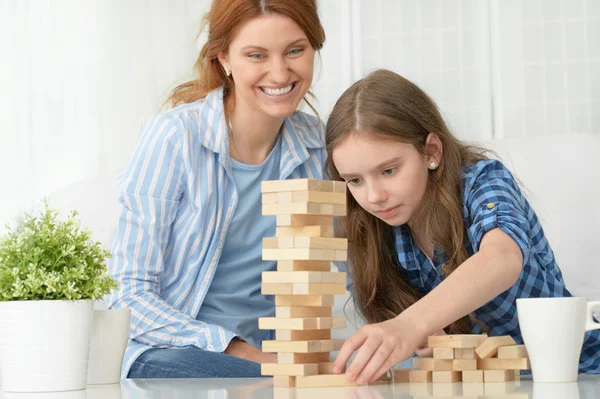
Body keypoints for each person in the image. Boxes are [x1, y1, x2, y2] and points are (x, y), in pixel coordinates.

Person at [324, 69, 600, 384]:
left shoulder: (482, 182)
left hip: (578, 373)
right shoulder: (373, 230)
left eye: (388, 170)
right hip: (480, 386)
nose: (373, 196)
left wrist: (411, 324)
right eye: (355, 180)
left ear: (431, 152)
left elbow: (502, 258)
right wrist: (424, 340)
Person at [106, 0, 327, 379]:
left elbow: (350, 263)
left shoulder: (319, 147)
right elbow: (126, 297)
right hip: (173, 351)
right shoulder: (175, 137)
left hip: (273, 356)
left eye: (295, 50)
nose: (279, 72)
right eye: (256, 55)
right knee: (256, 381)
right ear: (224, 58)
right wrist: (236, 350)